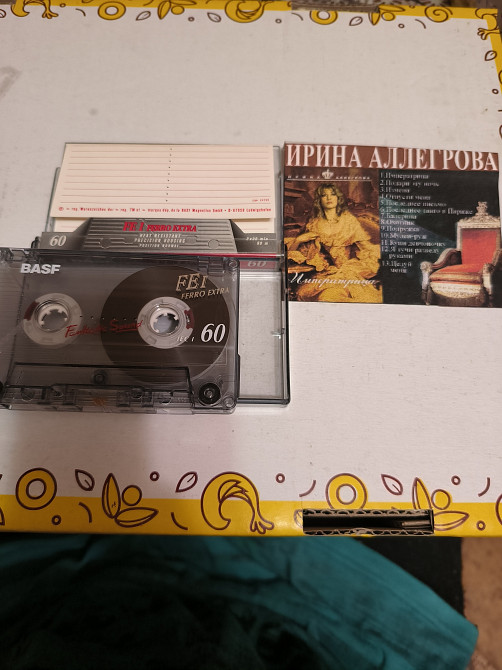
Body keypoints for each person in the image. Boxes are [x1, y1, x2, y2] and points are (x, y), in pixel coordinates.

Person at [287, 183, 382, 302]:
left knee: (328, 298)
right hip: (325, 273)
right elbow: (300, 254)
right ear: (319, 200)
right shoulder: (313, 223)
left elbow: (367, 248)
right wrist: (298, 240)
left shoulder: (348, 221)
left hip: (346, 272)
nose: (329, 198)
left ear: (338, 198)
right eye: (324, 195)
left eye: (332, 194)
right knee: (306, 294)